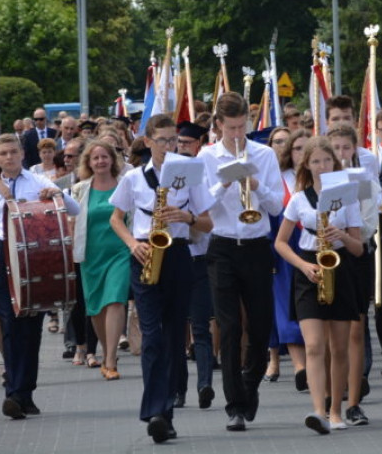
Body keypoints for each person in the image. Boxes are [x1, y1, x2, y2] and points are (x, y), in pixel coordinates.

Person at [109, 114, 215, 443]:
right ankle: (156, 410)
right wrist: (132, 244)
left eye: (174, 140)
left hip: (179, 254)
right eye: (164, 140)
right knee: (152, 336)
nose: (171, 146)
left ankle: (164, 414)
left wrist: (187, 216)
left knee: (172, 337)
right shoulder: (134, 178)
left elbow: (209, 223)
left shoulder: (190, 173)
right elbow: (116, 218)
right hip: (144, 256)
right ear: (148, 142)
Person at [0, 133, 79, 420]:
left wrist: (57, 194)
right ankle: (14, 394)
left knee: (31, 328)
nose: (8, 157)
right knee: (10, 324)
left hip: (34, 258)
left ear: (22, 154)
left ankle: (25, 393)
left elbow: (74, 208)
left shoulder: (38, 182)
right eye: (3, 153)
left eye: (13, 152)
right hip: (2, 255)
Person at [197, 92, 283, 433]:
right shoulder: (206, 156)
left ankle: (251, 386)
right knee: (230, 327)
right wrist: (224, 183)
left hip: (256, 245)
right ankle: (234, 404)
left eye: (242, 126)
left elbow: (276, 207)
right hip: (221, 246)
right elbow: (202, 204)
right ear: (218, 125)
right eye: (231, 127)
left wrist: (256, 185)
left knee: (260, 326)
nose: (237, 133)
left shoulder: (263, 154)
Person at [274, 137, 364, 434]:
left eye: (327, 161)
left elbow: (359, 248)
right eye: (316, 161)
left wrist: (342, 236)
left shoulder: (347, 197)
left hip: (340, 265)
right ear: (307, 166)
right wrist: (303, 265)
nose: (322, 166)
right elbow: (281, 243)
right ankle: (318, 410)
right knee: (313, 345)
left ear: (334, 164)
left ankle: (337, 409)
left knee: (338, 347)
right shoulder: (299, 199)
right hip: (309, 269)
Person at [327, 124, 380, 425]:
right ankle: (329, 395)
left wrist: (352, 222)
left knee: (356, 330)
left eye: (347, 148)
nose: (342, 154)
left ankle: (354, 402)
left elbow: (370, 225)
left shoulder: (365, 183)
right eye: (336, 149)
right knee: (329, 332)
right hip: (329, 254)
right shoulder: (321, 183)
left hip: (357, 255)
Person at [71, 140, 131, 381]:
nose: (100, 161)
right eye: (95, 158)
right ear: (89, 162)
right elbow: (71, 218)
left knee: (115, 301)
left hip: (120, 252)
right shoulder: (81, 189)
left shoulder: (124, 185)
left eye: (104, 157)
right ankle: (107, 352)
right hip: (90, 255)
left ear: (112, 160)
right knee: (95, 308)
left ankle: (110, 359)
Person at [174, 120, 217, 411]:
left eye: (187, 144)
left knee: (201, 327)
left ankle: (205, 385)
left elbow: (209, 223)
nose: (182, 148)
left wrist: (189, 217)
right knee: (177, 330)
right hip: (175, 258)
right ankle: (178, 390)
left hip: (201, 258)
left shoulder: (204, 181)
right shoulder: (167, 182)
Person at [268, 127, 309, 389]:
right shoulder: (278, 178)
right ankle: (299, 367)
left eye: (307, 148)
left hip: (314, 247)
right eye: (297, 148)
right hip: (284, 249)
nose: (302, 153)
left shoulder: (321, 178)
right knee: (286, 306)